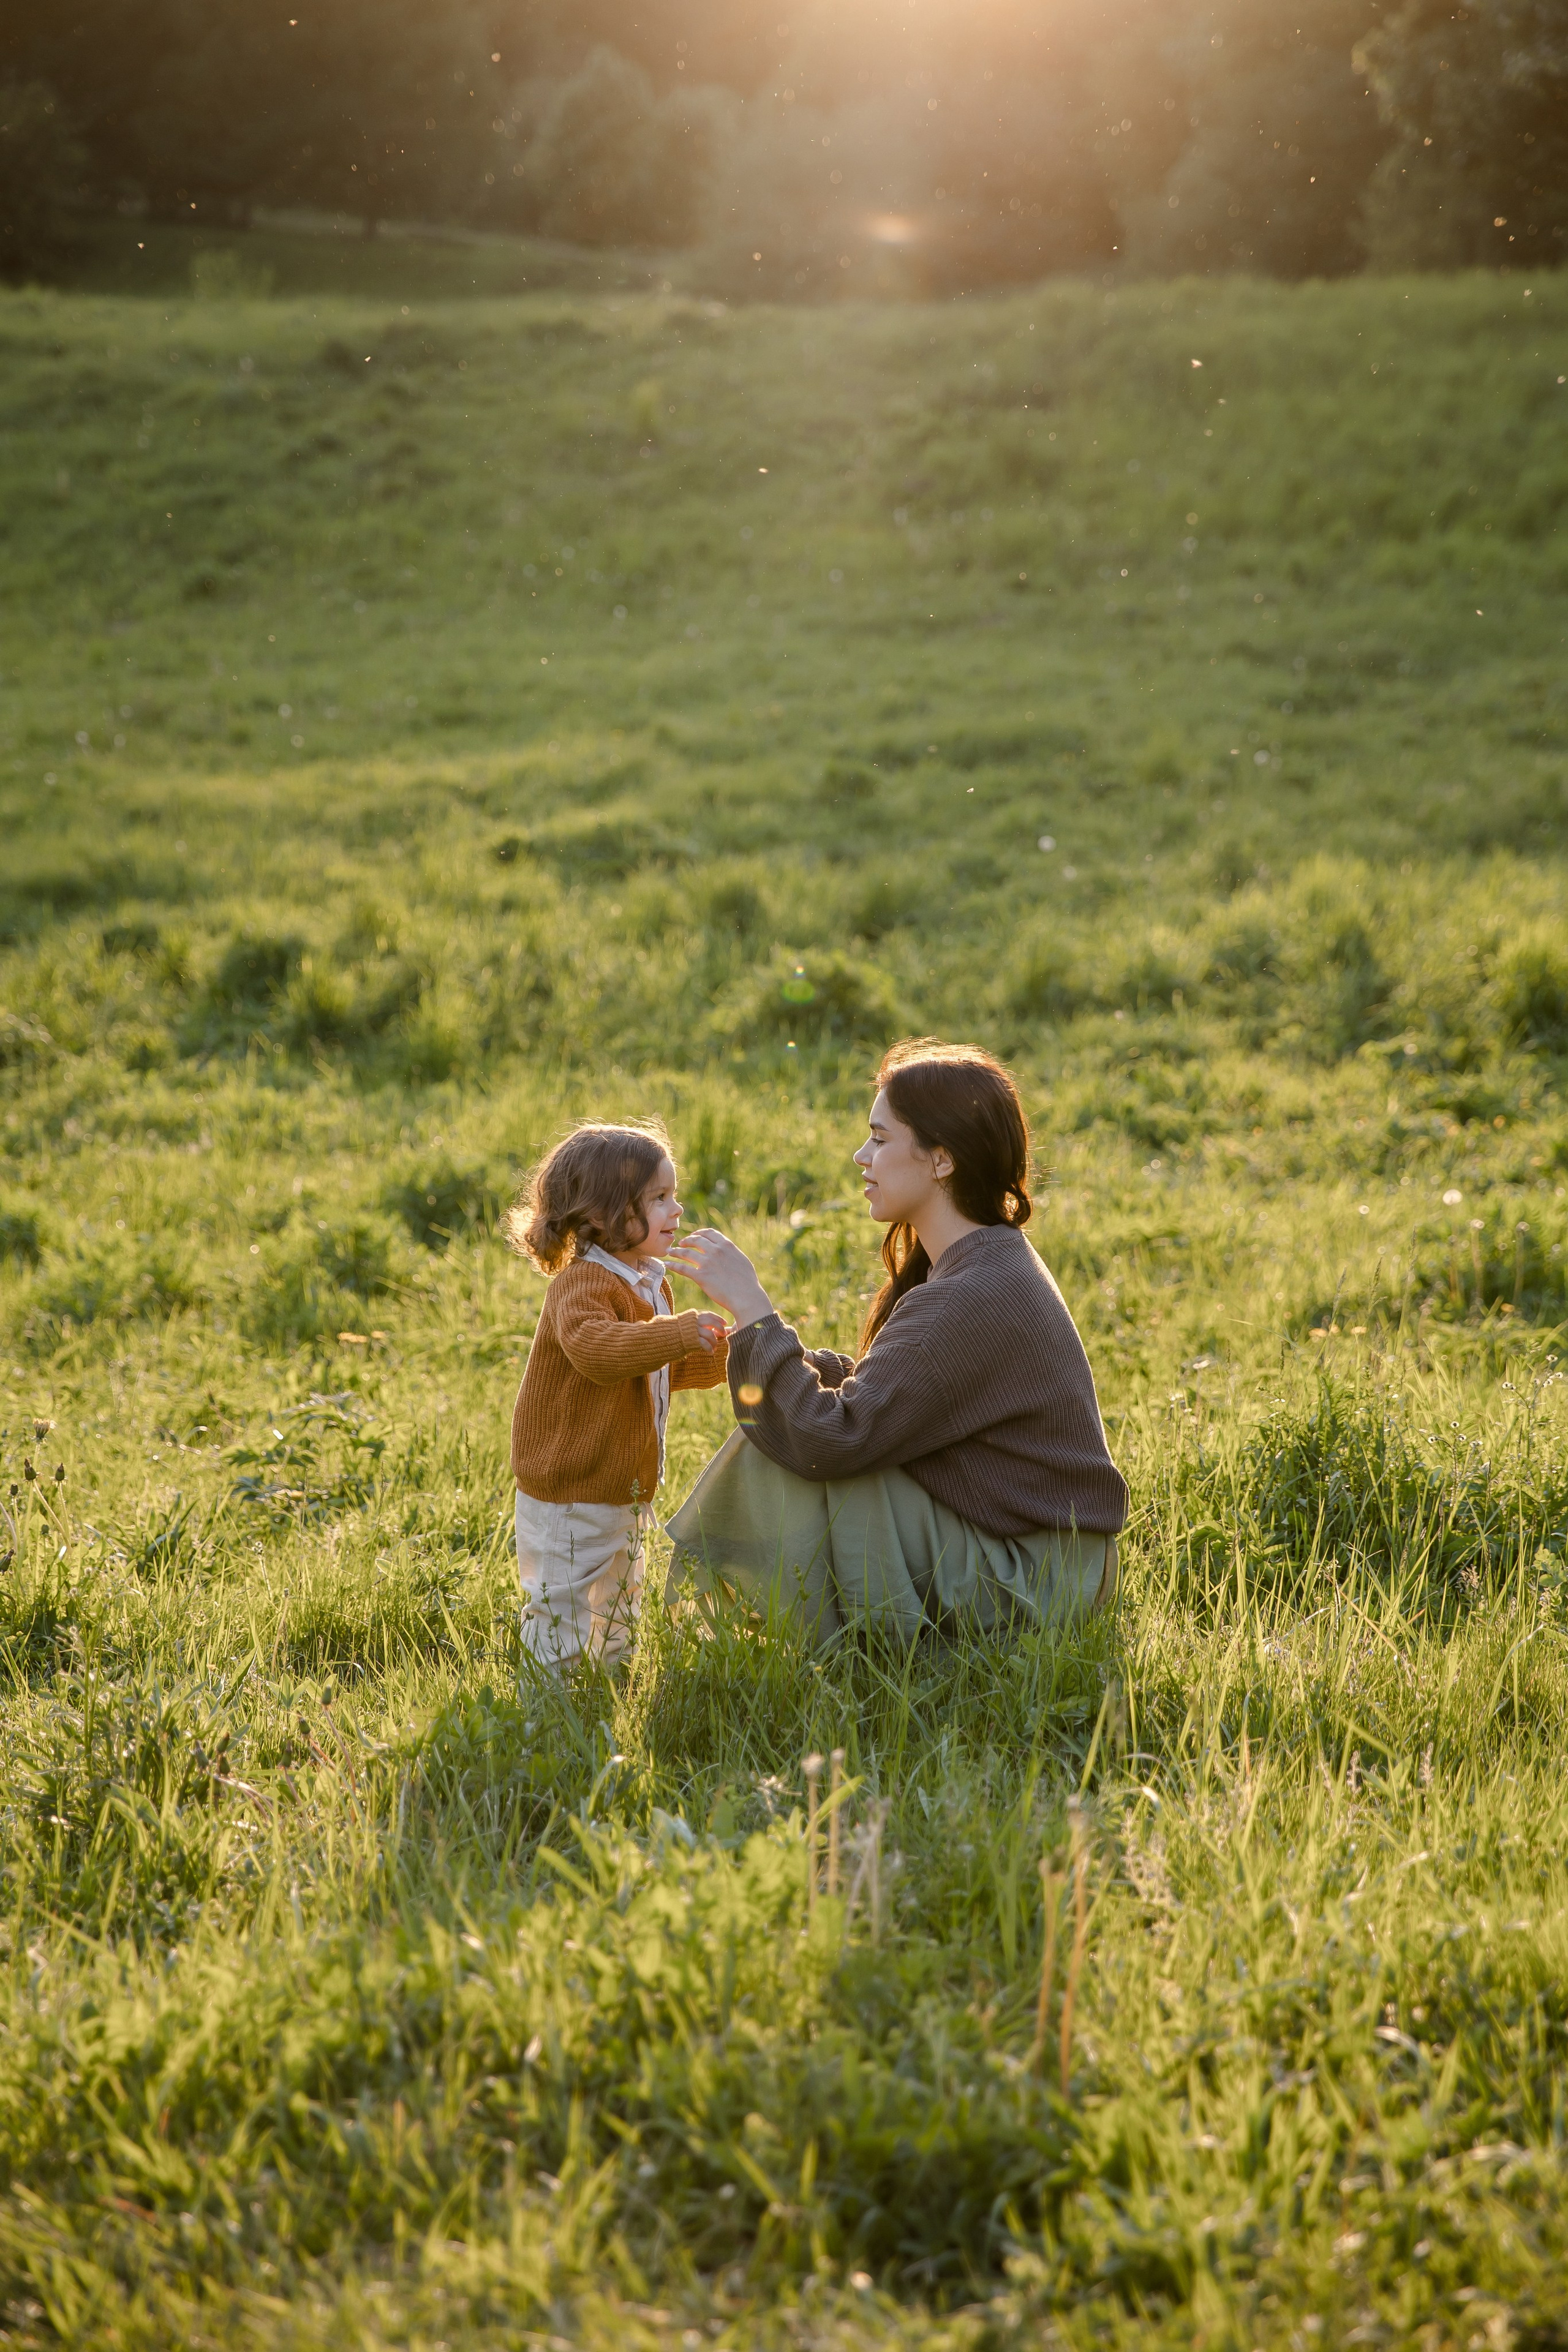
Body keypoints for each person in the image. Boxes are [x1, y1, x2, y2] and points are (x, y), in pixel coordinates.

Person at [665, 1039, 1127, 1646]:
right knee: (792, 1422)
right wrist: (795, 1364)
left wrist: (753, 1311)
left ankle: (779, 1642)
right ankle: (777, 1636)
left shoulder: (969, 1294)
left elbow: (833, 1441)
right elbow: (897, 1404)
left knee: (802, 1453)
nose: (862, 1156)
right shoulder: (983, 1263)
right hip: (1053, 1561)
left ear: (941, 1160)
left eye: (880, 1140)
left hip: (1039, 1580)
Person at [505, 1121, 729, 1667]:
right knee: (561, 1603)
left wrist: (736, 1354)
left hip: (622, 1488)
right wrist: (678, 1331)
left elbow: (654, 1367)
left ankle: (610, 1684)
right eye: (658, 1198)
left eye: (673, 1195)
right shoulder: (582, 1285)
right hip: (570, 1490)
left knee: (620, 1598)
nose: (676, 1210)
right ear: (603, 1216)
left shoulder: (647, 1280)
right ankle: (548, 1705)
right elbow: (602, 1354)